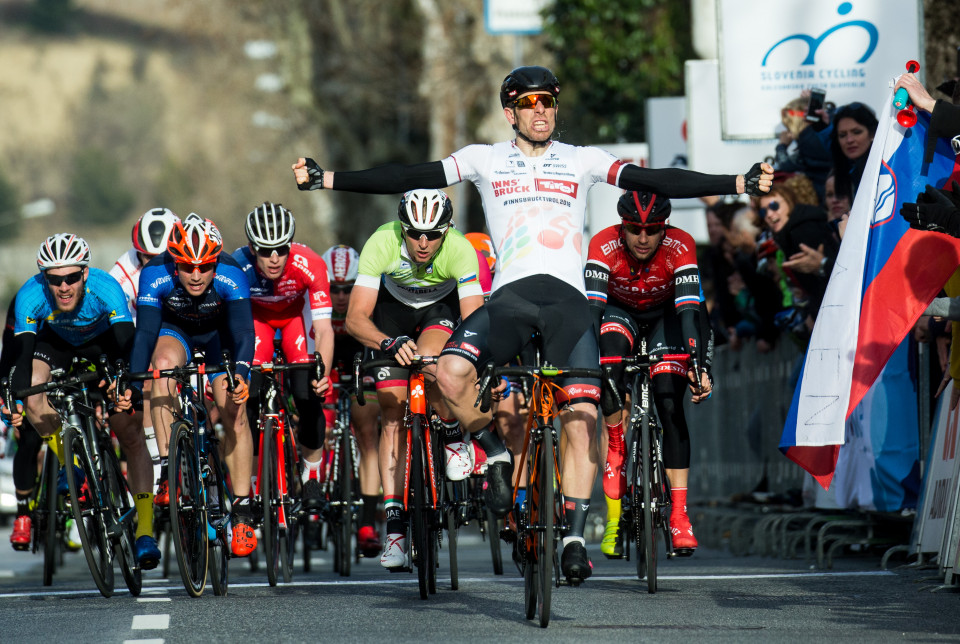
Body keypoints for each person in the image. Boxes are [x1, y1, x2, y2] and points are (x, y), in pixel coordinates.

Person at [292, 65, 773, 582]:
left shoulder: (583, 160)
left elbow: (654, 180)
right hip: (511, 301)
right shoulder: (485, 159)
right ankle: (494, 452)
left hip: (569, 304)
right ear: (510, 112)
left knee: (583, 415)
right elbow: (411, 176)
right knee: (449, 373)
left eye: (547, 101)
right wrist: (327, 178)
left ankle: (573, 538)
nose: (540, 109)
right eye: (528, 102)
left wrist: (737, 183)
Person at [342, 189, 484, 568]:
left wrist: (470, 362)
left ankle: (451, 433)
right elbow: (355, 318)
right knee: (391, 414)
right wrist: (386, 342)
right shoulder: (381, 242)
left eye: (433, 234)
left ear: (446, 230)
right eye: (415, 233)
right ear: (401, 228)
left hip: (439, 310)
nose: (423, 243)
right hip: (391, 315)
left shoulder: (459, 248)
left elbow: (475, 318)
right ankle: (395, 530)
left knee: (435, 364)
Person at [3, 234, 161, 568]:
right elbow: (22, 356)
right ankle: (71, 463)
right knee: (32, 395)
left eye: (72, 278)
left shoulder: (106, 288)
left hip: (104, 344)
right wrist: (14, 401)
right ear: (44, 278)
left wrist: (125, 385)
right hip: (56, 343)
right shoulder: (31, 295)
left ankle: (145, 530)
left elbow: (126, 343)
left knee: (130, 431)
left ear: (85, 273)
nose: (63, 287)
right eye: (55, 279)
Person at [584, 191, 713, 557]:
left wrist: (700, 366)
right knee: (608, 371)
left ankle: (679, 515)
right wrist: (591, 363)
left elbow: (691, 314)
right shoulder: (603, 244)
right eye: (635, 230)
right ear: (622, 227)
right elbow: (591, 314)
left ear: (664, 228)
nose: (643, 239)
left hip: (667, 316)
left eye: (653, 230)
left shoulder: (680, 245)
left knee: (670, 403)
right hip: (618, 311)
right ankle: (616, 443)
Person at [124, 214, 258, 557]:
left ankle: (242, 510)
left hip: (219, 336)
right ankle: (169, 469)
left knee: (234, 408)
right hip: (176, 333)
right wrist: (134, 386)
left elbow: (244, 332)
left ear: (216, 261)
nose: (196, 275)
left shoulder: (231, 273)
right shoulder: (155, 272)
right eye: (186, 267)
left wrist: (241, 374)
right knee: (162, 367)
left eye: (204, 266)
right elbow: (145, 334)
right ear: (174, 262)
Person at [232, 202, 333, 510]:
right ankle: (251, 483)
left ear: (290, 245)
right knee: (249, 398)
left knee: (307, 393)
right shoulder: (237, 266)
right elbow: (231, 327)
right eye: (265, 251)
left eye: (281, 249)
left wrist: (324, 374)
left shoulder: (310, 263)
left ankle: (311, 475)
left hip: (295, 318)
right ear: (252, 249)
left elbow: (324, 329)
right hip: (257, 321)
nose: (274, 258)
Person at [110, 207, 181, 487]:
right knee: (148, 375)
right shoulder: (123, 271)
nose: (154, 264)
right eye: (147, 257)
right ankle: (157, 459)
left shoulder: (188, 262)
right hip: (141, 328)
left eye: (163, 257)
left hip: (178, 328)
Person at [321, 243, 383, 557]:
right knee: (318, 422)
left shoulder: (370, 300)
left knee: (368, 429)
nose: (342, 296)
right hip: (329, 365)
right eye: (334, 288)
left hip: (362, 362)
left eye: (349, 288)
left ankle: (367, 522)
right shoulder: (316, 303)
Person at [828, 102, 878, 201]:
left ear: (873, 133)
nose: (849, 140)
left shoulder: (885, 168)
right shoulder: (844, 169)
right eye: (842, 135)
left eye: (857, 132)